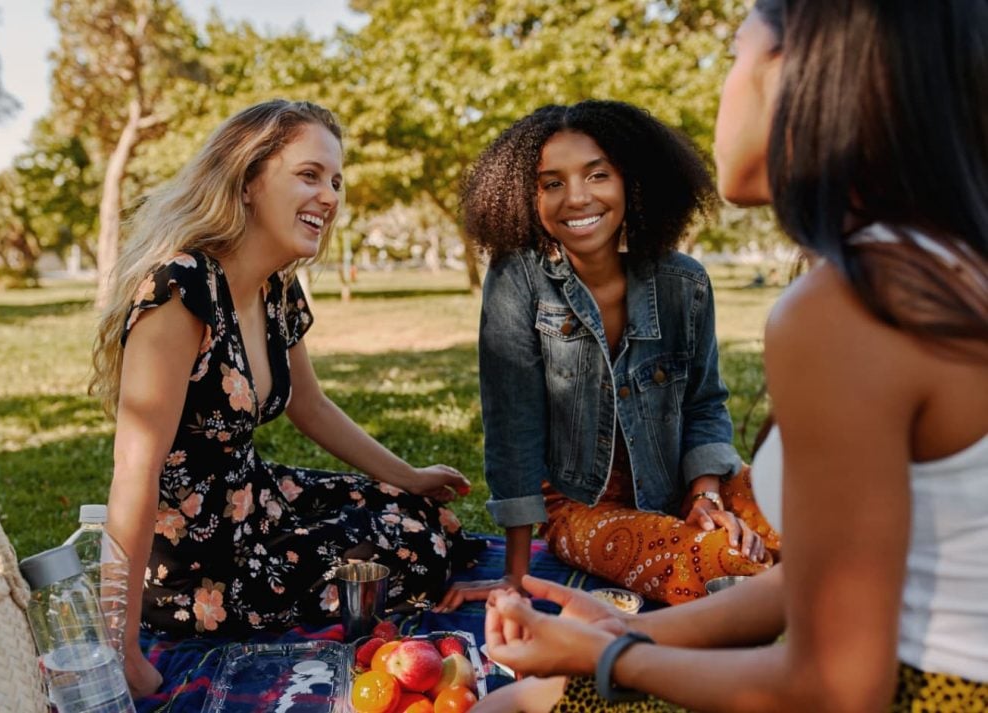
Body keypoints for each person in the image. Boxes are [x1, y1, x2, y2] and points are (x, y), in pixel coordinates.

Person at [476, 0, 988, 710]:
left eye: (733, 56)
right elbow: (807, 578)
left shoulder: (850, 305)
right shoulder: (944, 264)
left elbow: (837, 690)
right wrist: (624, 634)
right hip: (599, 513)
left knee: (509, 704)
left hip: (936, 692)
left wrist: (615, 655)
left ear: (799, 74)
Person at [89, 99, 483, 697]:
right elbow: (133, 471)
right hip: (197, 561)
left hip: (258, 499)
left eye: (335, 181)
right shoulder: (180, 288)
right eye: (309, 174)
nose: (329, 195)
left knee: (423, 515)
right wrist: (116, 646)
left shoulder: (277, 288)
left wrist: (412, 477)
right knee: (416, 548)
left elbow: (311, 406)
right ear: (248, 180)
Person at [438, 99, 779, 613]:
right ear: (525, 198)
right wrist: (514, 576)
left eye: (597, 175)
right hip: (582, 507)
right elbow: (513, 429)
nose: (576, 198)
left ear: (631, 182)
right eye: (551, 183)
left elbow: (705, 404)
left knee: (821, 509)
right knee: (716, 561)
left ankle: (790, 580)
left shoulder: (685, 282)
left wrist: (706, 498)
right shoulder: (518, 280)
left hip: (685, 484)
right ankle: (778, 586)